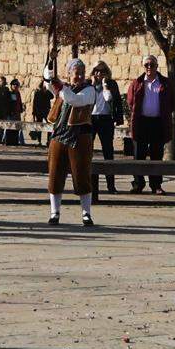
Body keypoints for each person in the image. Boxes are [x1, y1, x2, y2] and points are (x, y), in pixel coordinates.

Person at [45, 60, 105, 228]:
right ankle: (54, 212)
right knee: (55, 175)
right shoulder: (62, 87)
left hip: (80, 137)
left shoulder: (89, 90)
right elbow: (47, 79)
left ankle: (86, 213)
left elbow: (74, 100)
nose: (78, 76)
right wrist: (51, 63)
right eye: (75, 72)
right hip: (59, 136)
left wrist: (60, 87)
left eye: (81, 73)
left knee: (82, 176)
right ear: (69, 73)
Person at [125, 55, 175, 195]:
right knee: (138, 155)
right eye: (146, 64)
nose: (149, 67)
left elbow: (171, 102)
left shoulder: (164, 83)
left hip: (158, 123)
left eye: (152, 64)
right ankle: (138, 184)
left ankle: (156, 185)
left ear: (156, 66)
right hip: (141, 122)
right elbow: (130, 101)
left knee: (156, 155)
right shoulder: (137, 82)